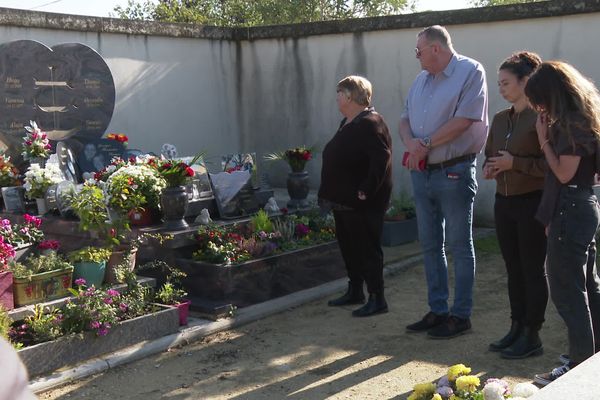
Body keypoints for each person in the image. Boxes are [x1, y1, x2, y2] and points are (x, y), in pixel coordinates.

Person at [399, 25, 488, 338]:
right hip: (421, 171)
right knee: (430, 244)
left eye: (419, 50)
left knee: (459, 245)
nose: (417, 56)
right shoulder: (420, 81)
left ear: (435, 48)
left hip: (454, 170)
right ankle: (438, 310)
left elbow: (465, 120)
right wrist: (412, 143)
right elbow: (404, 120)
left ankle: (460, 315)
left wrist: (423, 143)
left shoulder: (470, 72)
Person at [524, 61, 600, 386]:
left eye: (540, 101)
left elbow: (564, 173)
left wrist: (543, 139)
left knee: (568, 290)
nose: (539, 109)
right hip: (578, 205)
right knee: (588, 286)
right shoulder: (585, 118)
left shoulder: (572, 125)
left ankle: (579, 366)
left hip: (571, 205)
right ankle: (590, 361)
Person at [482, 51, 548, 359]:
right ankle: (516, 326)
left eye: (506, 83)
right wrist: (490, 167)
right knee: (513, 269)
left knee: (532, 269)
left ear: (525, 82)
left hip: (532, 202)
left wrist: (514, 163)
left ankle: (532, 334)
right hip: (503, 203)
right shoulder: (499, 119)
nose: (501, 89)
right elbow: (490, 154)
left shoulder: (542, 119)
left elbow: (551, 166)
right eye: (499, 84)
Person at [319, 75, 393, 317]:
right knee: (349, 246)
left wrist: (366, 189)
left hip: (362, 202)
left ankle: (377, 297)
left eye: (340, 93)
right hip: (344, 201)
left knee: (367, 248)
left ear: (351, 96)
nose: (337, 98)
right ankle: (355, 290)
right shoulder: (348, 122)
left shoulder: (371, 123)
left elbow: (381, 159)